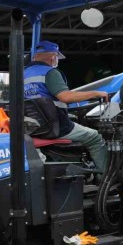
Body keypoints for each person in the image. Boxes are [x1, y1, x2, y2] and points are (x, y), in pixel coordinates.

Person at [24, 40, 109, 172]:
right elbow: (66, 97)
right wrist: (95, 93)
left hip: (32, 128)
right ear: (53, 57)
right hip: (55, 129)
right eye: (57, 58)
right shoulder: (50, 73)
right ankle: (105, 178)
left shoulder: (22, 74)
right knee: (95, 137)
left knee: (73, 119)